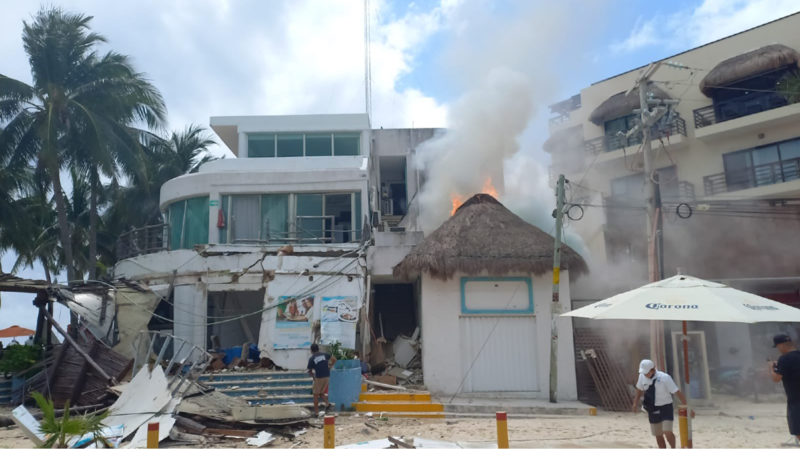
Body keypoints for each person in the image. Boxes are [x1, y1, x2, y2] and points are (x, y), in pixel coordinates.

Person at [631, 359, 693, 450]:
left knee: (667, 431)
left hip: (665, 407)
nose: (645, 374)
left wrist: (688, 408)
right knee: (658, 435)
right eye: (643, 373)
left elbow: (677, 392)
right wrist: (635, 403)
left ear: (653, 370)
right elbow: (639, 389)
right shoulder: (642, 376)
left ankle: (673, 448)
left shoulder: (665, 378)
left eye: (646, 372)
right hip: (652, 408)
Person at [769, 334, 800, 440]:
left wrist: (771, 368)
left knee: (798, 430)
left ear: (781, 345)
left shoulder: (785, 358)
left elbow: (776, 378)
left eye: (778, 347)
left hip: (796, 400)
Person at [307, 343, 337, 415]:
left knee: (315, 394)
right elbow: (334, 359)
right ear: (318, 349)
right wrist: (330, 367)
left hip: (319, 376)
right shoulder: (325, 355)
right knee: (320, 393)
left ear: (311, 350)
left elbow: (310, 370)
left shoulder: (312, 359)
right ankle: (328, 404)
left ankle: (316, 413)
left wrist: (313, 377)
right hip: (327, 376)